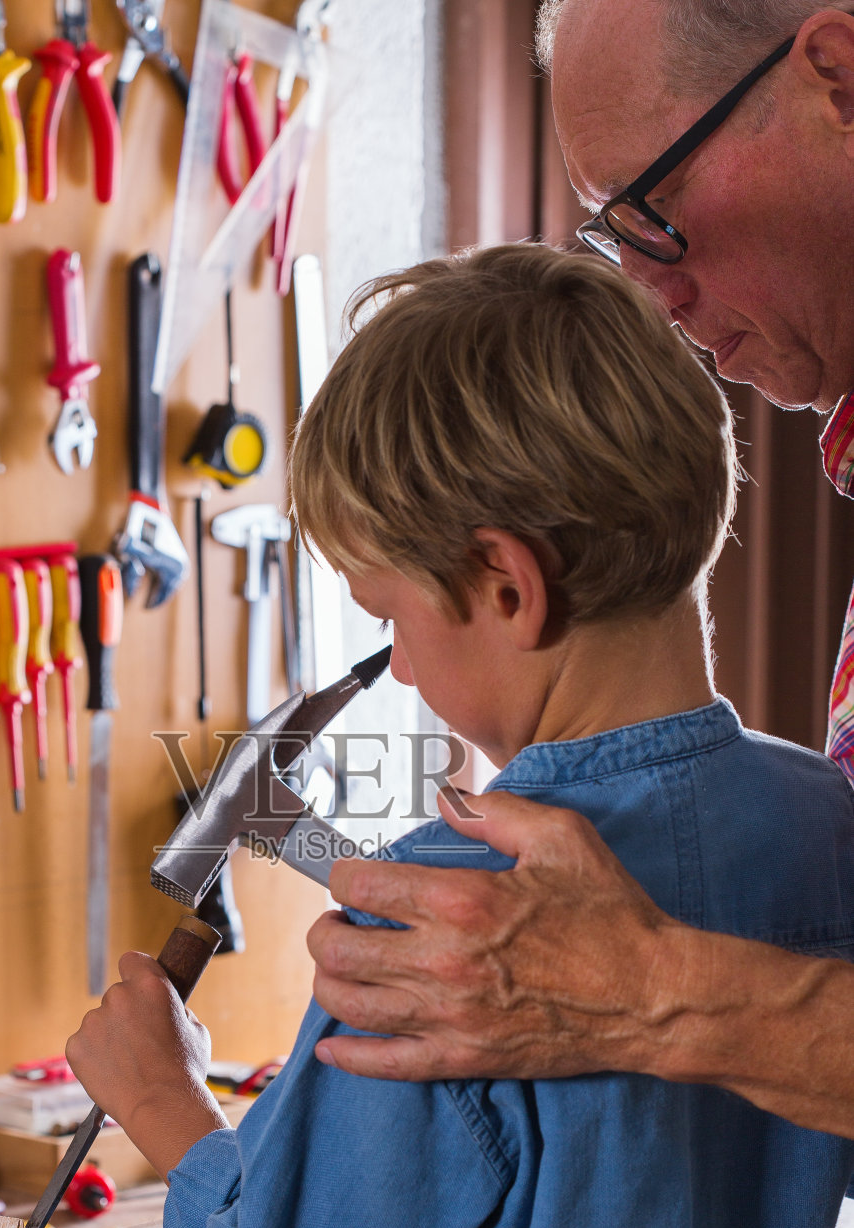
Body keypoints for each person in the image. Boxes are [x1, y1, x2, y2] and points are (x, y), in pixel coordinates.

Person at [67, 244, 854, 1228]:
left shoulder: (452, 919)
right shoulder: (820, 826)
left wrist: (165, 1105)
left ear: (502, 584)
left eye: (390, 618)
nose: (403, 672)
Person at [304, 0, 854, 1142]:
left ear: (839, 79)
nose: (647, 292)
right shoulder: (812, 817)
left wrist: (646, 993)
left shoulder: (456, 913)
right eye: (613, 235)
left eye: (654, 206)